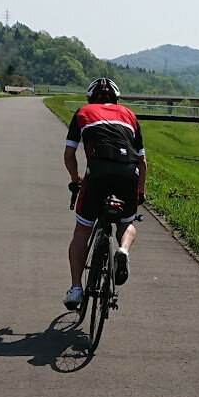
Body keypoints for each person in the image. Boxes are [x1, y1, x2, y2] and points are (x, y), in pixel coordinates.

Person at [63, 77, 145, 310]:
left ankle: (76, 289)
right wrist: (140, 191)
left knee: (82, 230)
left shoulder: (83, 112)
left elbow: (69, 154)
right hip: (129, 171)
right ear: (116, 99)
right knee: (126, 222)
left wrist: (75, 179)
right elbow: (143, 160)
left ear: (90, 98)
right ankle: (123, 250)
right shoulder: (129, 115)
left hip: (97, 172)